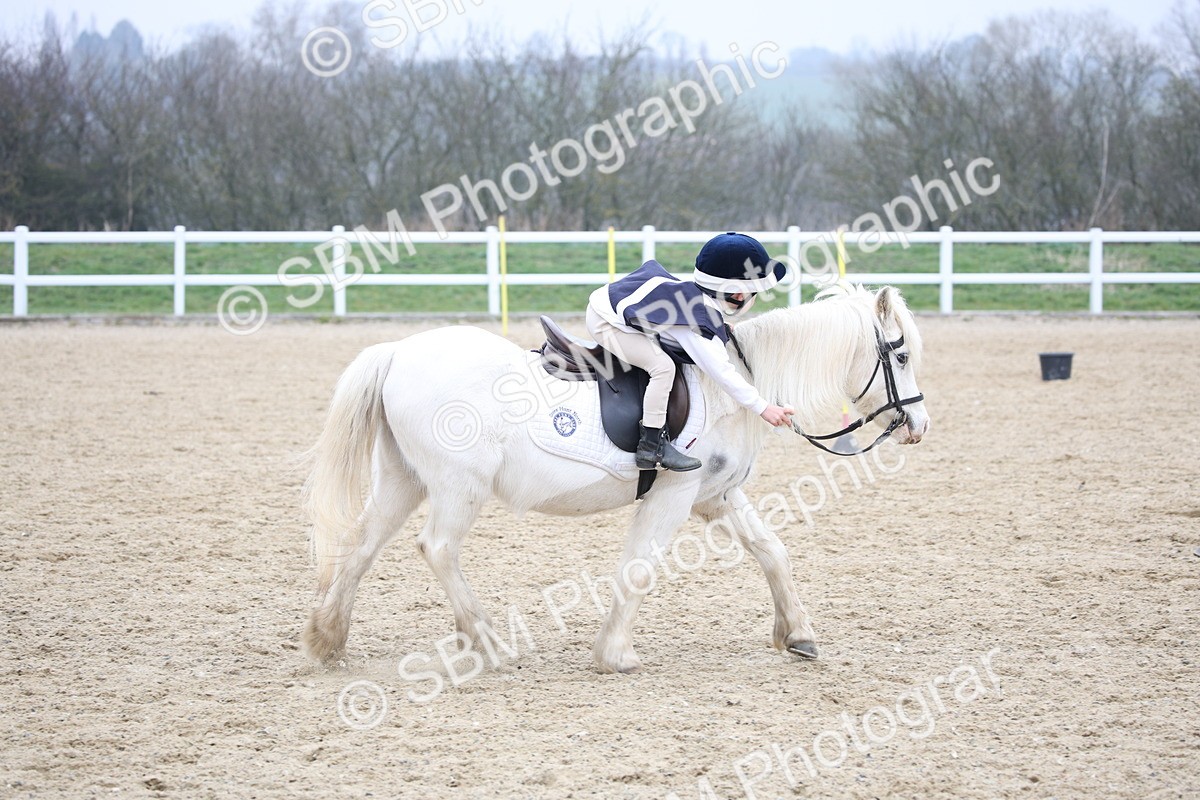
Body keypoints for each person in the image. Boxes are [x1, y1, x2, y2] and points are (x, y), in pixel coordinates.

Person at [585, 231, 795, 471]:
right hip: (604, 322)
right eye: (754, 293)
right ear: (738, 295)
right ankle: (651, 445)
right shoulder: (697, 324)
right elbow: (722, 373)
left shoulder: (701, 300)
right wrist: (763, 407)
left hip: (610, 301)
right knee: (663, 368)